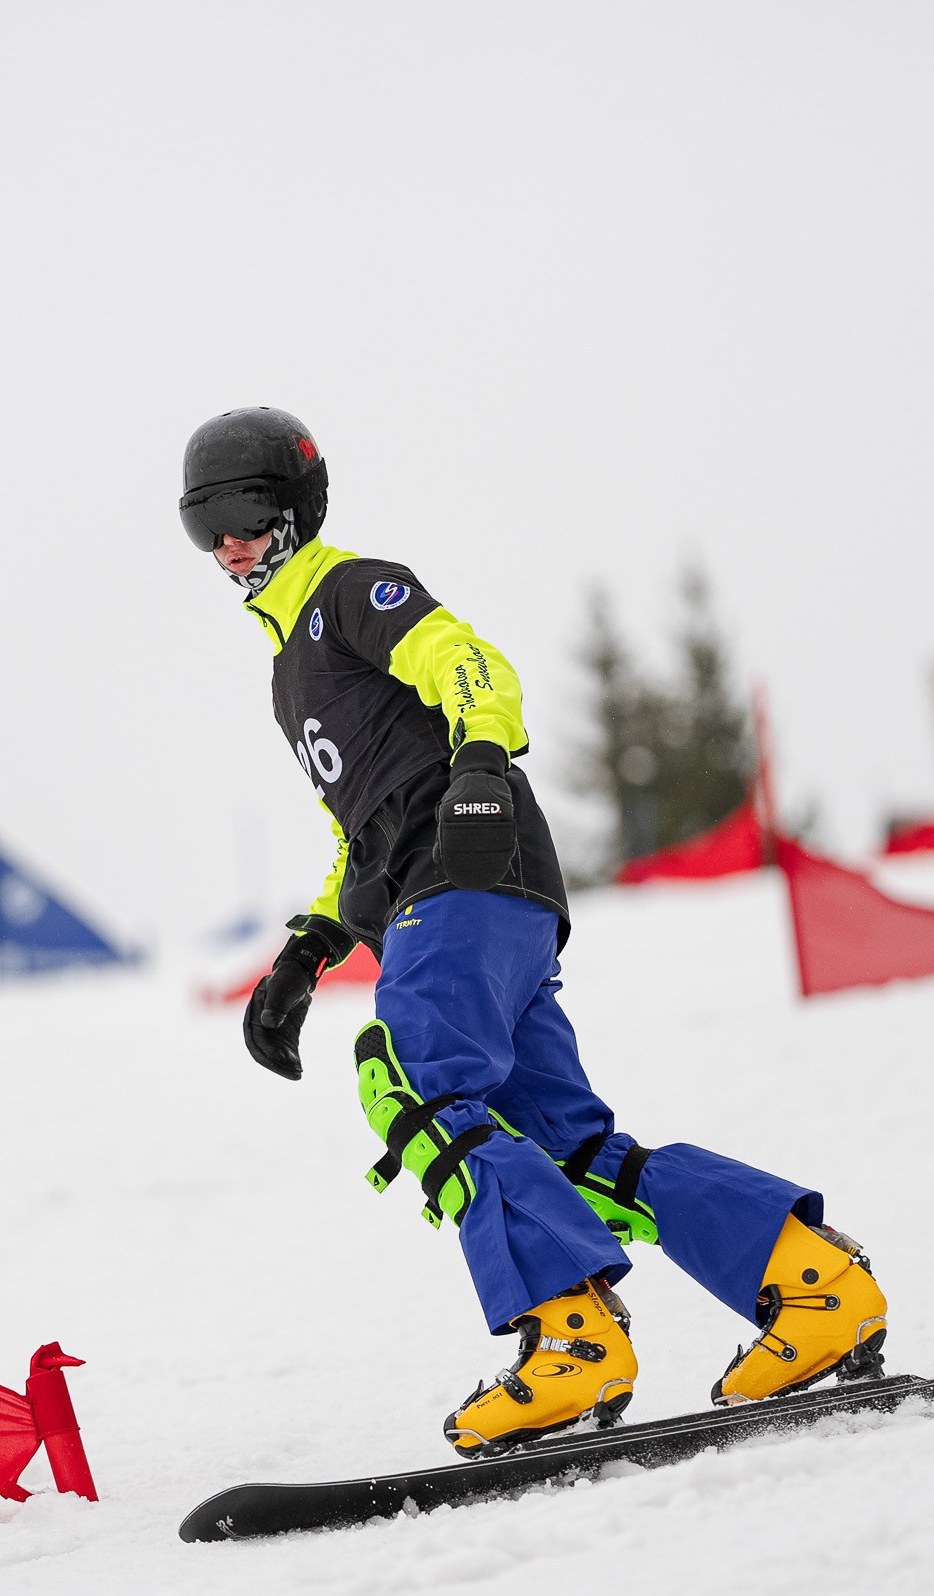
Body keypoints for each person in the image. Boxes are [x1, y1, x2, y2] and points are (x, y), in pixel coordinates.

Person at [182, 406, 886, 1457]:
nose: (231, 542)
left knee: (414, 1084)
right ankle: (810, 1281)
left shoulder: (346, 595)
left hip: (462, 871)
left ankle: (573, 1339)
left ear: (298, 507)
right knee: (571, 1149)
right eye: (205, 524)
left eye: (247, 511)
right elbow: (362, 827)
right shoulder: (290, 669)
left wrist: (475, 768)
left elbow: (472, 668)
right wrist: (311, 945)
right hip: (469, 888)